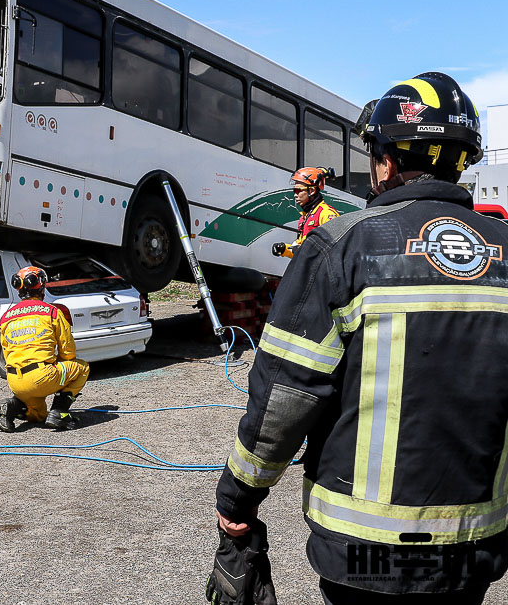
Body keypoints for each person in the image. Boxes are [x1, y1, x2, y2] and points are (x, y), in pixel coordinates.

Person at [211, 72, 506, 603]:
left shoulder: (342, 246)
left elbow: (286, 392)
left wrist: (238, 498)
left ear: (387, 161)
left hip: (365, 552)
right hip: (472, 546)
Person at [0, 266, 89, 432]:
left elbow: (6, 351)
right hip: (42, 377)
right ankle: (60, 412)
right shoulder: (51, 312)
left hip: (15, 381)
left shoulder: (6, 317)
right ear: (42, 288)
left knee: (38, 415)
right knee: (81, 368)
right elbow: (69, 352)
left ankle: (13, 406)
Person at [271, 167, 340, 259]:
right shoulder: (305, 217)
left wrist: (304, 250)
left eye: (298, 191)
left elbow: (335, 247)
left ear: (311, 191)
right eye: (294, 191)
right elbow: (300, 251)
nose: (295, 195)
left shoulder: (326, 213)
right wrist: (285, 250)